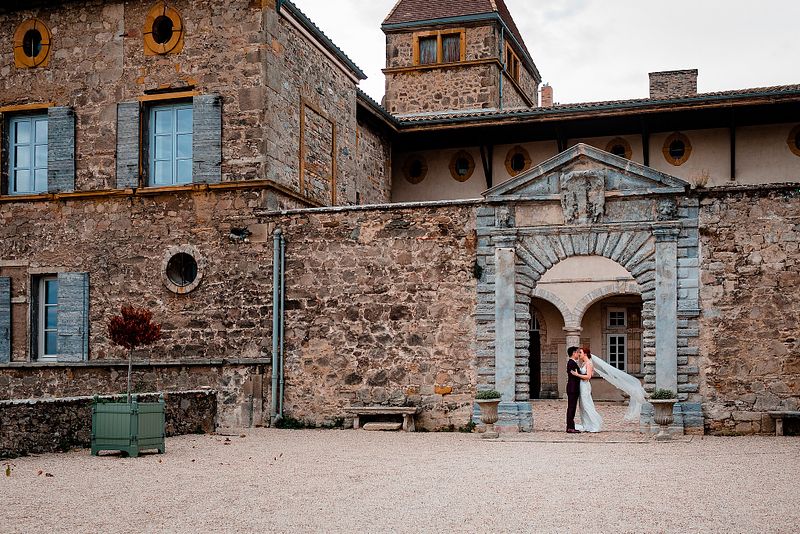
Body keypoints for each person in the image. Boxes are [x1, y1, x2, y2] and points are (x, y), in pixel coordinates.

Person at [570, 347, 603, 432]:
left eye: (580, 352)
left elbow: (588, 376)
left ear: (585, 354)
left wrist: (577, 375)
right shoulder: (584, 363)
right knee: (582, 406)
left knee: (587, 404)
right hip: (581, 385)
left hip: (585, 385)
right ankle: (586, 424)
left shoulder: (589, 363)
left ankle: (594, 424)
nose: (579, 354)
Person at [565, 346, 583, 433]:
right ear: (573, 353)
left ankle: (570, 426)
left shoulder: (572, 363)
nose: (578, 354)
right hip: (572, 388)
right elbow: (575, 376)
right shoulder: (571, 363)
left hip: (573, 388)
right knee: (571, 408)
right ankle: (570, 427)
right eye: (577, 352)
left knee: (572, 407)